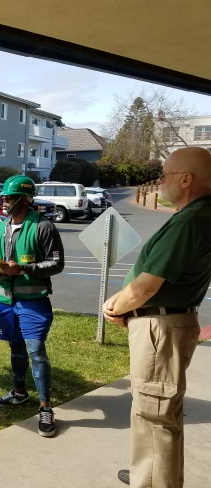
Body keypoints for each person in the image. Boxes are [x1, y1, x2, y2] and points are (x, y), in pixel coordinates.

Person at [103, 147, 211, 487]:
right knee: (162, 417)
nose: (159, 182)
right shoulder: (198, 215)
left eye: (163, 175)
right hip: (167, 324)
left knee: (154, 418)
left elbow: (146, 288)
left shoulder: (190, 221)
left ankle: (149, 481)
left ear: (186, 179)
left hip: (159, 329)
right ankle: (146, 474)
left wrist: (115, 306)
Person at [0, 175, 64, 437]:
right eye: (4, 197)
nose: (4, 201)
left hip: (33, 302)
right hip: (6, 301)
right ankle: (19, 393)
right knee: (16, 348)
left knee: (36, 351)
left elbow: (57, 264)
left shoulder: (43, 227)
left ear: (25, 200)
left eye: (11, 197)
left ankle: (45, 408)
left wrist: (23, 268)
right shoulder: (1, 227)